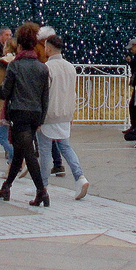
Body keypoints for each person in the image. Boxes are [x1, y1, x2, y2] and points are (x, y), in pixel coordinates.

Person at [0, 24, 49, 205]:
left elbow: (6, 92)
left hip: (19, 113)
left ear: (20, 45)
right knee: (19, 152)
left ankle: (41, 191)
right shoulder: (42, 68)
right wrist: (41, 118)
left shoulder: (15, 65)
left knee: (28, 153)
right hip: (35, 114)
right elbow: (44, 97)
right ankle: (6, 187)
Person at [38, 34, 88, 198]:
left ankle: (43, 187)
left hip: (49, 115)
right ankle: (79, 177)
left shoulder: (46, 68)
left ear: (49, 48)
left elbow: (43, 94)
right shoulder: (70, 67)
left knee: (45, 151)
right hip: (65, 114)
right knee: (65, 147)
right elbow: (72, 93)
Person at [124, 39, 136, 130]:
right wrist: (131, 62)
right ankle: (134, 126)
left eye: (131, 49)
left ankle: (135, 126)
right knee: (134, 105)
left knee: (135, 105)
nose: (131, 51)